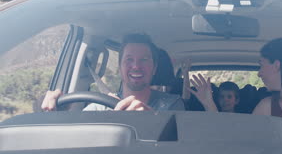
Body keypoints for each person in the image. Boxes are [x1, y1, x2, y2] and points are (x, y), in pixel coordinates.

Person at [41, 33, 185, 111]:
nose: (136, 66)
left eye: (144, 60)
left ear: (154, 69)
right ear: (119, 68)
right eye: (129, 60)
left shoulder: (171, 106)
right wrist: (53, 115)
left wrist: (149, 122)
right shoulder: (98, 108)